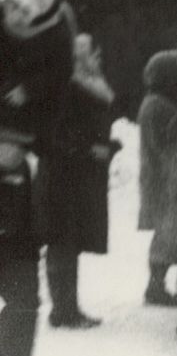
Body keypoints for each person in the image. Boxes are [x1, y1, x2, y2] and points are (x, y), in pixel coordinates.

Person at [0, 0, 75, 356]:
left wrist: (22, 146)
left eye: (25, 12)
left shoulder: (53, 62)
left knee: (25, 304)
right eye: (9, 8)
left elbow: (54, 129)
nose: (15, 18)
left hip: (17, 206)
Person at [33, 33, 119, 329]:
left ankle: (67, 308)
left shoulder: (90, 85)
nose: (99, 60)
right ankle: (63, 311)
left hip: (77, 176)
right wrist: (89, 149)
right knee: (62, 241)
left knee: (68, 242)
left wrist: (107, 146)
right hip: (61, 175)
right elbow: (53, 132)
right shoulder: (66, 86)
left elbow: (90, 128)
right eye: (94, 55)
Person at [137, 50, 177, 306]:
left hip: (159, 177)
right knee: (170, 233)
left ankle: (156, 285)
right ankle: (156, 287)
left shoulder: (153, 102)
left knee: (167, 232)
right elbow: (171, 142)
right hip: (166, 179)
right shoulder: (162, 106)